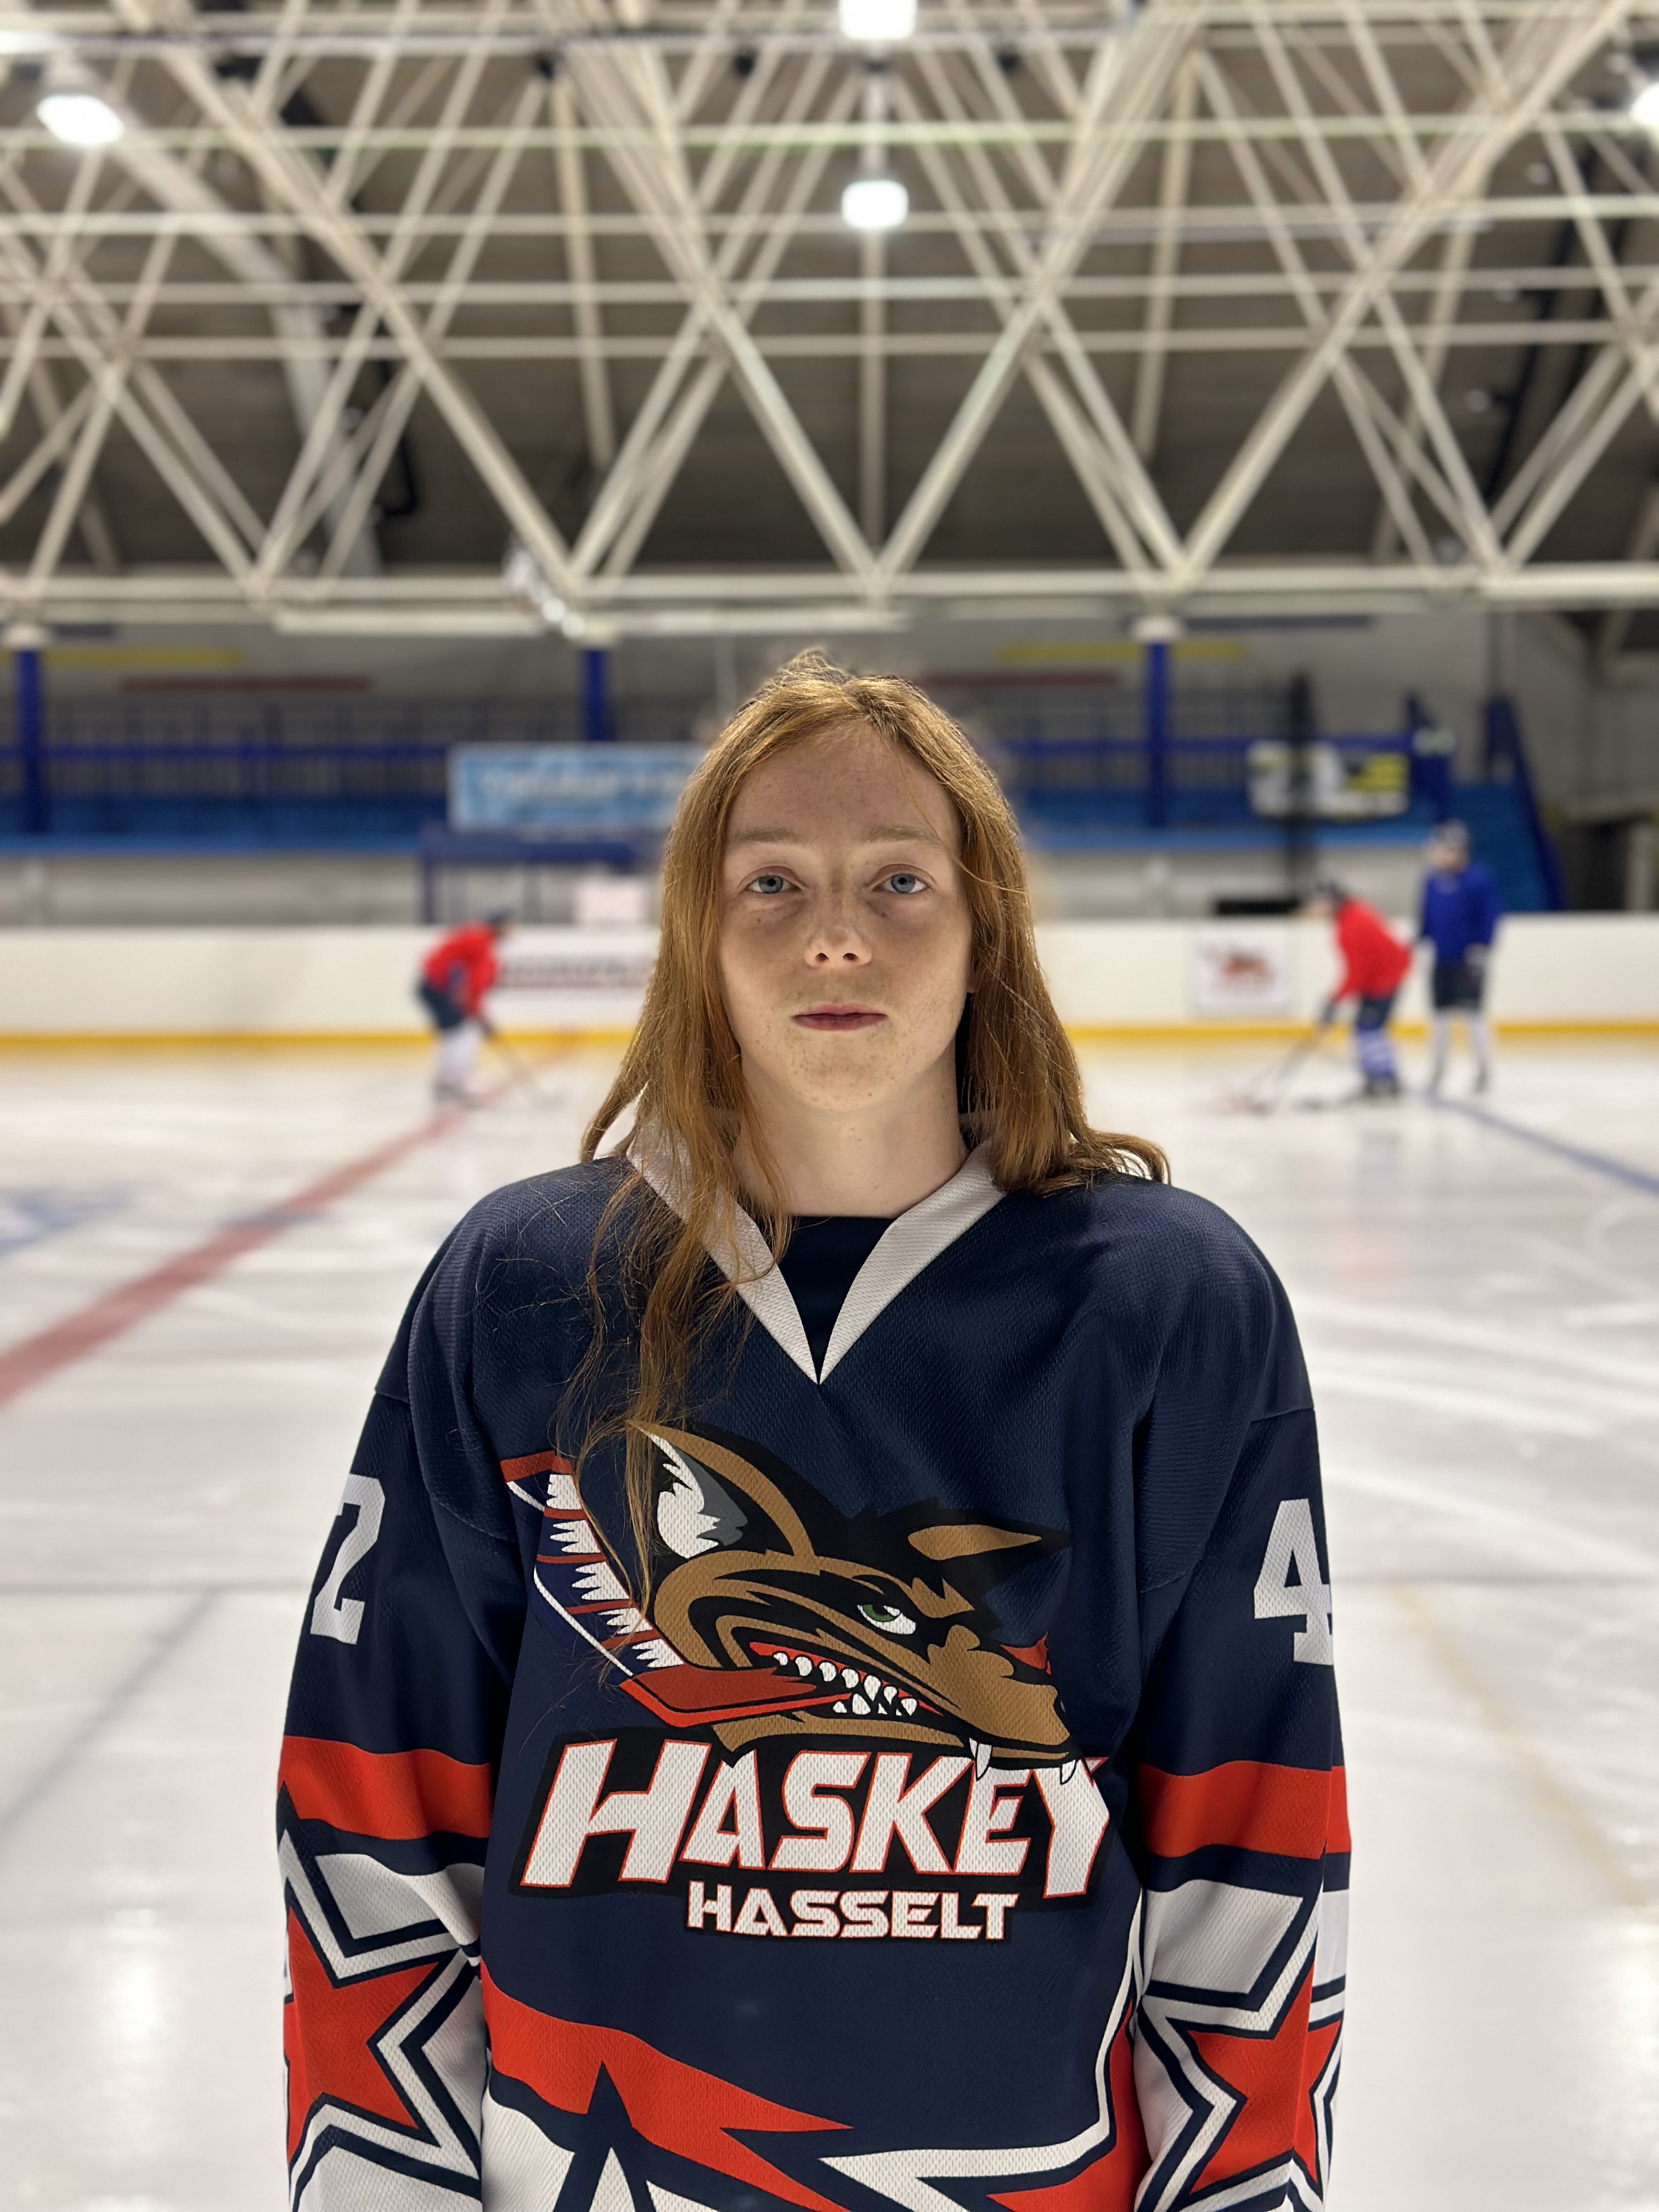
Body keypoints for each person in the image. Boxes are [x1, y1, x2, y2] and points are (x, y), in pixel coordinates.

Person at [281, 659, 1347, 2212]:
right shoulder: (523, 1288)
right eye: (770, 882)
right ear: (697, 942)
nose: (836, 935)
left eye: (898, 881)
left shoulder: (1170, 1305)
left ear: (986, 934)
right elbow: (375, 1806)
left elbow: (1253, 1838)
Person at [1307, 879, 1412, 1100]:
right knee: (1366, 1029)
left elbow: (1357, 972)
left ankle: (1386, 1080)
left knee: (1369, 1029)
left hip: (1384, 978)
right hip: (1381, 976)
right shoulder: (1351, 914)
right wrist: (1335, 1001)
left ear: (1331, 901)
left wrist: (1334, 1001)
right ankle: (1377, 1079)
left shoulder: (1350, 924)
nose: (1314, 907)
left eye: (1318, 902)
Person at [1418, 820, 1501, 1094]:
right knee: (1439, 1016)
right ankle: (1438, 1067)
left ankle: (1483, 1069)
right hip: (1441, 958)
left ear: (1458, 851)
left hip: (1468, 959)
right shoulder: (1431, 881)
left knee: (1473, 1015)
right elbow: (1426, 916)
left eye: (1442, 849)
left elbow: (1490, 916)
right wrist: (1421, 941)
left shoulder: (1478, 879)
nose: (1437, 854)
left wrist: (1482, 948)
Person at [417, 911, 511, 1101]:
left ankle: (446, 1084)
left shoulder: (480, 939)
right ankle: (452, 1084)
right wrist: (477, 1014)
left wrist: (476, 1012)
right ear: (498, 925)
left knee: (457, 1035)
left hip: (438, 989)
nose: (511, 930)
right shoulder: (481, 941)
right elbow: (474, 983)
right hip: (440, 990)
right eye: (508, 925)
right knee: (462, 1035)